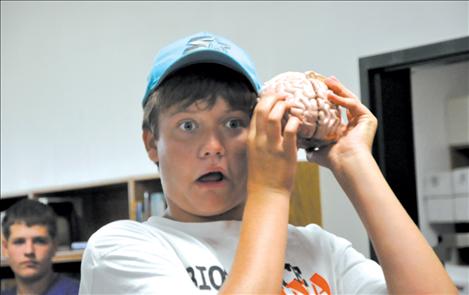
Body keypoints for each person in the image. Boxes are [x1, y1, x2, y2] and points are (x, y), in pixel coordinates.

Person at [79, 32, 457, 294]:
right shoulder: (123, 249)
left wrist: (354, 160)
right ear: (151, 144)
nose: (213, 147)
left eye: (233, 123)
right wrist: (271, 189)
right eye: (188, 125)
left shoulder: (319, 249)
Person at [2, 199, 80, 295]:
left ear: (55, 246)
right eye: (19, 242)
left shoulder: (81, 292)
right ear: (5, 248)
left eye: (39, 241)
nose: (29, 251)